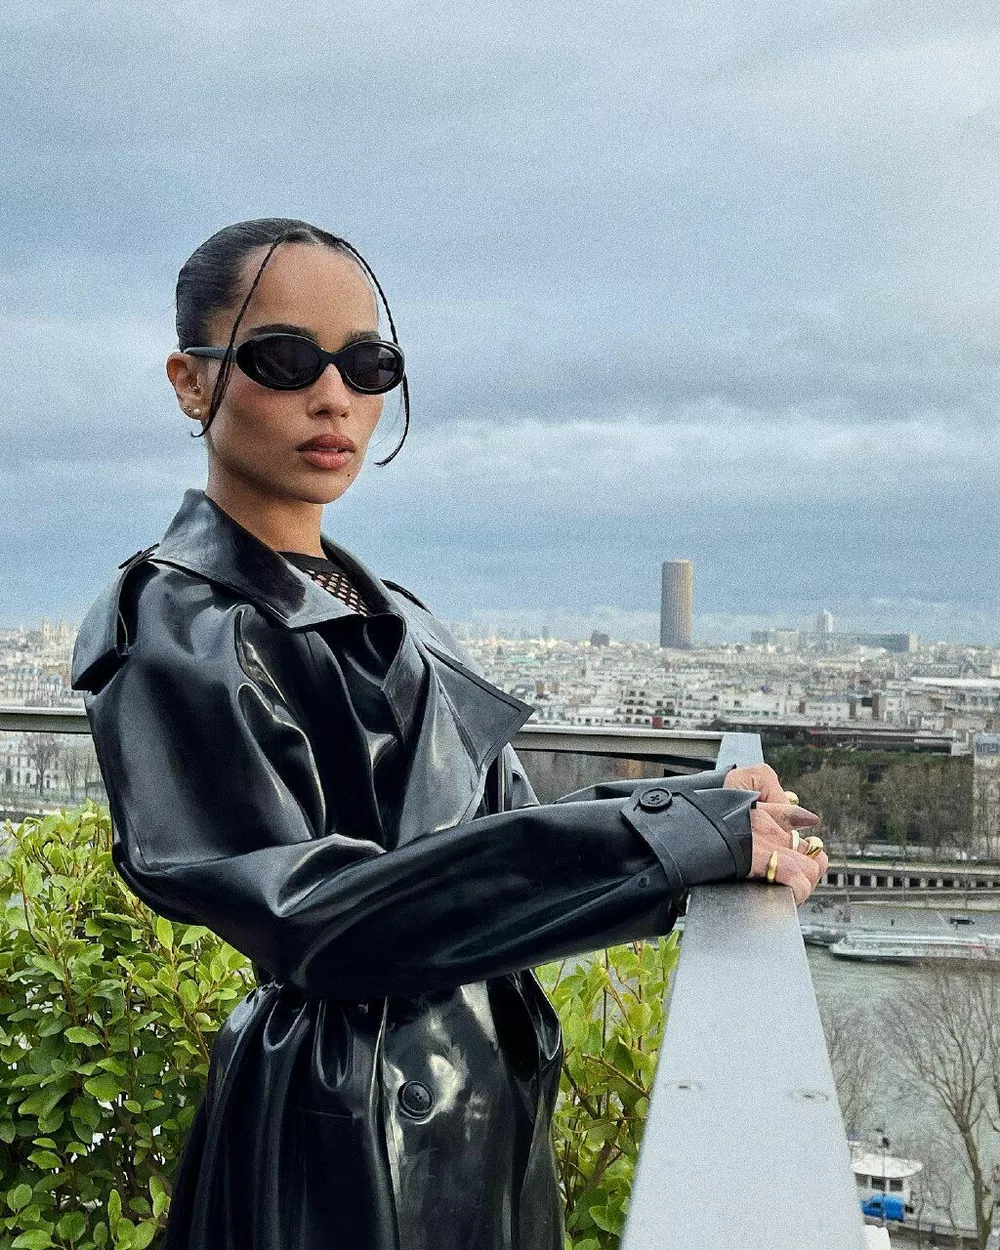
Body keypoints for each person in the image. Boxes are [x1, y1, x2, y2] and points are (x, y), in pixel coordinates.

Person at [71, 218, 828, 1250]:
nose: (334, 396)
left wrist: (700, 810)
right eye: (285, 359)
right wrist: (665, 836)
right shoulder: (176, 624)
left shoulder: (392, 610)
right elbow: (312, 915)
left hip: (479, 1108)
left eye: (367, 364)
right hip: (337, 1138)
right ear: (191, 381)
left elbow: (489, 833)